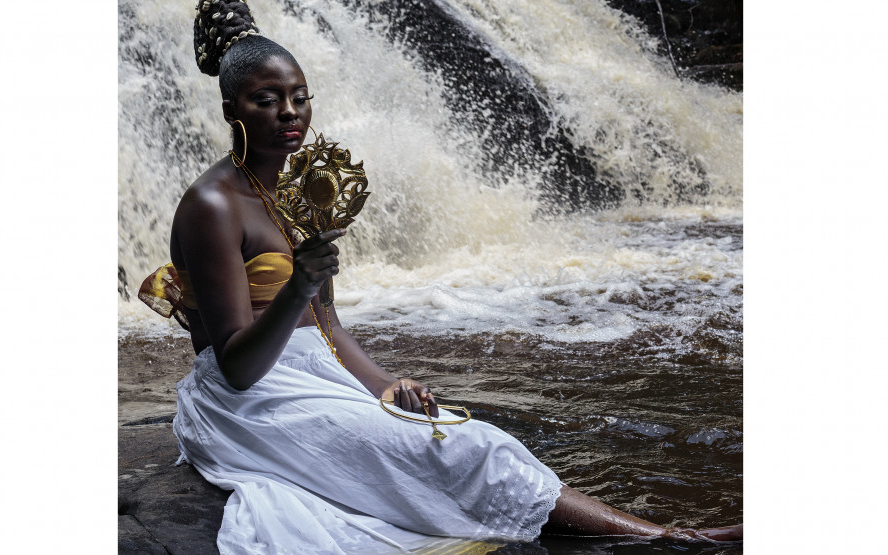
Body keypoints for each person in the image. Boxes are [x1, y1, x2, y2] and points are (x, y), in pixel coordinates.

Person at [140, 1, 742, 552]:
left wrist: (382, 382)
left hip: (316, 373)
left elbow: (326, 324)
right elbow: (238, 367)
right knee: (465, 449)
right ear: (230, 110)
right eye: (266, 100)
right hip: (250, 402)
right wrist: (298, 283)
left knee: (446, 431)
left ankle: (664, 533)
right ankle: (674, 537)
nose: (289, 112)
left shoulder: (300, 192)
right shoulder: (211, 206)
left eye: (300, 96)